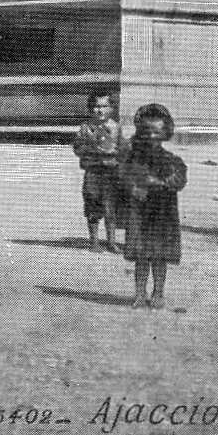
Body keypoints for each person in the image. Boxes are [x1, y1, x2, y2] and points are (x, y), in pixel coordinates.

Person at [120, 103, 188, 309]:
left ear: (165, 133)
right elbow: (124, 178)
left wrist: (158, 183)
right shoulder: (133, 159)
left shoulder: (172, 160)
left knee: (160, 258)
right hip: (140, 215)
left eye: (157, 132)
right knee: (142, 257)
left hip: (163, 216)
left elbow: (179, 181)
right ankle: (140, 294)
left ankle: (158, 293)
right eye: (146, 131)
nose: (151, 136)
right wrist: (134, 188)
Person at [73, 92, 125, 252]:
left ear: (111, 108)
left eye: (104, 106)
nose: (100, 110)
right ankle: (94, 242)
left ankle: (111, 242)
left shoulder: (116, 127)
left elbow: (122, 149)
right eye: (96, 106)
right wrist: (92, 149)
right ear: (90, 109)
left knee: (111, 208)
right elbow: (77, 147)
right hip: (93, 172)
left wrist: (118, 153)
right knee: (93, 205)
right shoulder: (85, 128)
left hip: (111, 174)